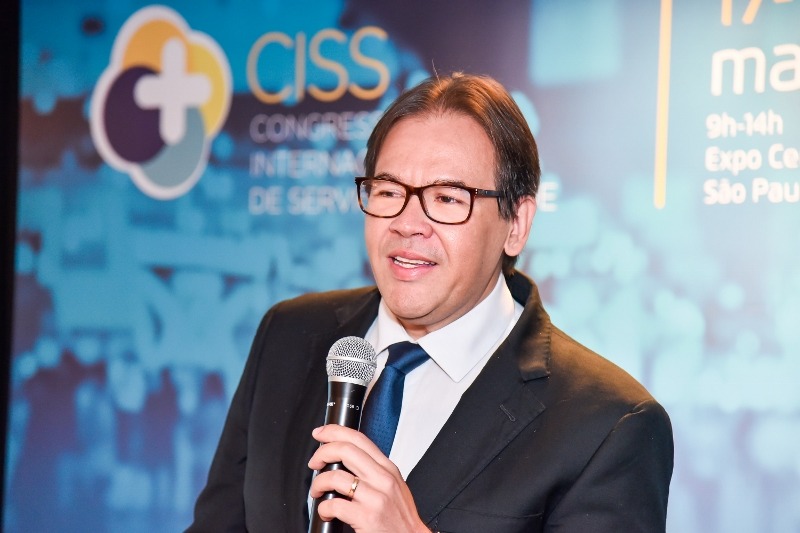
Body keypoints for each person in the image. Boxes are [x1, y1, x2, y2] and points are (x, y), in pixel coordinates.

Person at [187, 73, 673, 532]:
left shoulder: (608, 425)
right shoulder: (289, 335)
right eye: (388, 191)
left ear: (516, 224)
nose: (407, 223)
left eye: (446, 199)